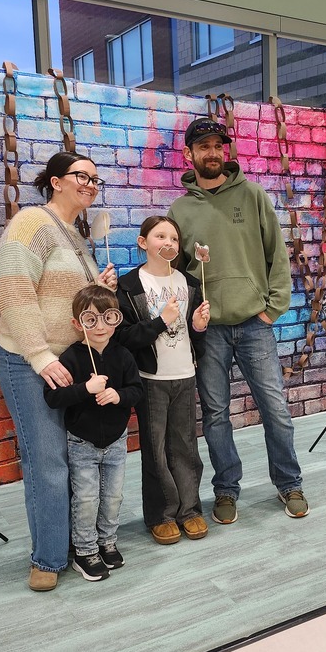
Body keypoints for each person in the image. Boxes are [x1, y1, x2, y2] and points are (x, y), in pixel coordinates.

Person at [167, 117, 309, 524]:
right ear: (190, 155)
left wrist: (272, 309)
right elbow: (178, 271)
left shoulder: (252, 195)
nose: (212, 152)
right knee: (215, 415)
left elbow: (276, 257)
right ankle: (226, 489)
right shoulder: (180, 209)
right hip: (209, 330)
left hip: (253, 324)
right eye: (203, 146)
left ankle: (289, 483)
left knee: (275, 408)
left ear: (225, 151)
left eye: (218, 145)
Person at [0, 151, 117, 592]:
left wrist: (98, 292)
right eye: (81, 175)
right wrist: (40, 355)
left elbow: (63, 297)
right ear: (55, 181)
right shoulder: (32, 223)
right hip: (31, 362)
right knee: (47, 462)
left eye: (96, 179)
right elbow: (13, 289)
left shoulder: (75, 235)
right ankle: (47, 558)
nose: (90, 183)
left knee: (68, 461)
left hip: (69, 366)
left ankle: (68, 543)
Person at [116, 216, 211, 545]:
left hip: (185, 374)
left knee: (185, 447)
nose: (168, 242)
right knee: (155, 451)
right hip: (151, 379)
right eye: (160, 236)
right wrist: (160, 321)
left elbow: (193, 336)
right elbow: (125, 337)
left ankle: (190, 509)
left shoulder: (189, 283)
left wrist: (198, 326)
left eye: (173, 237)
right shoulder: (129, 286)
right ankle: (161, 514)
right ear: (143, 243)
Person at [43, 285, 142, 581]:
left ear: (117, 319)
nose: (100, 326)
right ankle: (85, 550)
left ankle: (106, 542)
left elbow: (137, 390)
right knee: (87, 498)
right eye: (91, 320)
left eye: (107, 318)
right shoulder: (71, 357)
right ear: (78, 324)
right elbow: (53, 398)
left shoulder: (123, 356)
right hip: (82, 442)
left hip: (116, 441)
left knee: (112, 496)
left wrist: (117, 396)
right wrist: (85, 389)